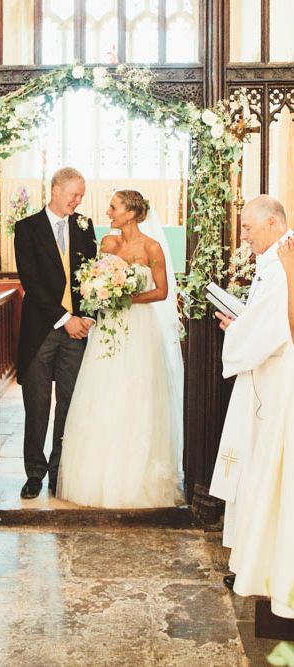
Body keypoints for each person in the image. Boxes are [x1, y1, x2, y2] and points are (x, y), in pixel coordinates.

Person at [57, 190, 184, 508]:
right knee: (104, 391)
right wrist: (101, 291)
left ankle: (137, 477)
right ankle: (97, 476)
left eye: (113, 207)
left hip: (139, 328)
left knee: (137, 393)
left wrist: (128, 297)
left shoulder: (152, 247)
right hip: (108, 328)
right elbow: (95, 280)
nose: (108, 211)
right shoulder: (108, 245)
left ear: (130, 212)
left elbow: (162, 291)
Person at [211, 195, 294, 619]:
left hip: (277, 381)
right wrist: (241, 323)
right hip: (264, 375)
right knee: (255, 470)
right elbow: (262, 321)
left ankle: (262, 566)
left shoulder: (283, 265)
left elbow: (274, 328)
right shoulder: (276, 260)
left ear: (274, 223)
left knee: (267, 471)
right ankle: (251, 561)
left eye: (248, 228)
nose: (243, 236)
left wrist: (238, 330)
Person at [13, 167, 97, 498]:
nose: (78, 201)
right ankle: (34, 473)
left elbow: (93, 275)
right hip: (41, 331)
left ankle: (58, 471)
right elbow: (31, 282)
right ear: (55, 190)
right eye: (74, 194)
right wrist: (65, 319)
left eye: (81, 195)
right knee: (37, 405)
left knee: (69, 404)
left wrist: (86, 316)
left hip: (77, 331)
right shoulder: (27, 228)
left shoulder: (85, 226)